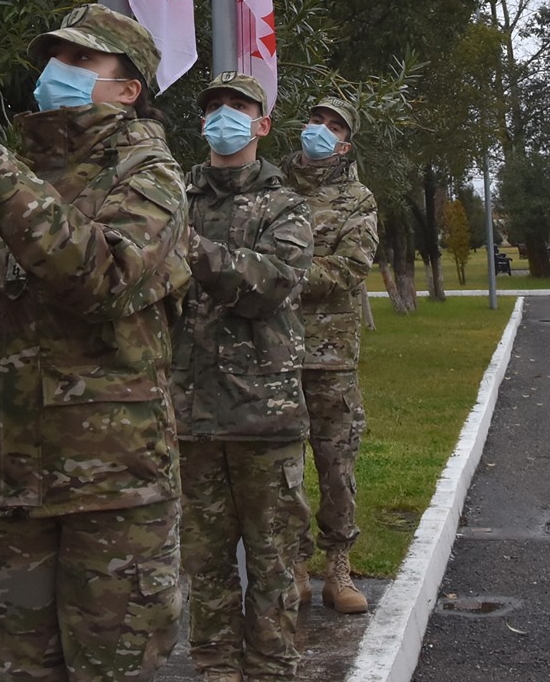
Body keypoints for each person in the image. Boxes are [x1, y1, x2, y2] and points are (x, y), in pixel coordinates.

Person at [0, 3, 191, 682]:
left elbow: (103, 280)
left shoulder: (150, 176)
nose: (57, 71)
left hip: (112, 485)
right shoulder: (24, 175)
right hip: (13, 476)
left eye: (81, 59)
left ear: (128, 88)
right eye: (55, 58)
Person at [171, 72, 313, 682]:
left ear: (262, 124)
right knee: (203, 564)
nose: (223, 115)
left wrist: (192, 250)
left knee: (273, 559)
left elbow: (273, 286)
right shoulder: (175, 199)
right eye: (213, 107)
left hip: (264, 416)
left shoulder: (286, 205)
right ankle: (215, 668)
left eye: (237, 106)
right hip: (190, 414)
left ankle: (272, 667)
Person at [282, 95, 379, 615]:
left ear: (346, 144)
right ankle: (296, 567)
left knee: (336, 467)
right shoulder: (272, 187)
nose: (320, 128)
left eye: (334, 126)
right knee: (283, 469)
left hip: (331, 357)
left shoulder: (358, 200)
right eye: (315, 119)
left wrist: (276, 275)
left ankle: (338, 568)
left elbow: (350, 268)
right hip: (274, 352)